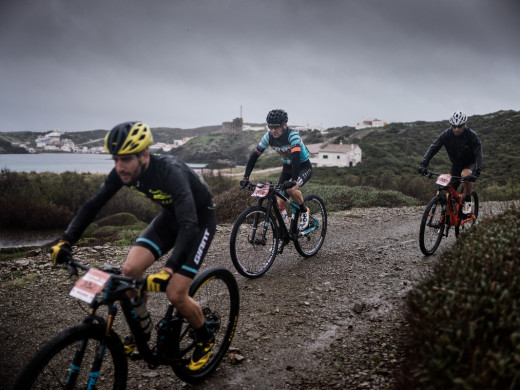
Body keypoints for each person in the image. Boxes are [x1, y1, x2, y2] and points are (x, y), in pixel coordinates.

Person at [49, 121, 217, 371]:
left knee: (175, 294)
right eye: (116, 159)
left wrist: (169, 269)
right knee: (129, 272)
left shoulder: (171, 171)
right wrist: (66, 241)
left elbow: (190, 224)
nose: (119, 166)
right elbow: (92, 206)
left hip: (198, 221)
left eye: (125, 159)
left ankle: (205, 337)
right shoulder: (122, 172)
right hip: (171, 217)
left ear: (144, 155)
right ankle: (143, 328)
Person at [240, 109, 312, 229]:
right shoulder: (268, 137)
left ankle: (304, 211)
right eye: (270, 127)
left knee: (291, 189)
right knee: (279, 203)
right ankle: (283, 226)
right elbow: (254, 156)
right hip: (287, 168)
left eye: (276, 127)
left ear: (284, 125)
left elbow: (295, 159)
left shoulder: (292, 135)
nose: (273, 130)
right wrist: (246, 177)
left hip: (302, 166)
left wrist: (294, 180)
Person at [418, 110, 483, 214]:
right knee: (449, 191)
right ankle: (447, 222)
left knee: (465, 175)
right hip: (456, 165)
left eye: (459, 126)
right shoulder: (447, 134)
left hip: (470, 163)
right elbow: (433, 148)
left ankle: (467, 203)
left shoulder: (472, 136)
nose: (456, 129)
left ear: (464, 124)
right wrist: (423, 165)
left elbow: (479, 155)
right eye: (454, 126)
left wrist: (476, 172)